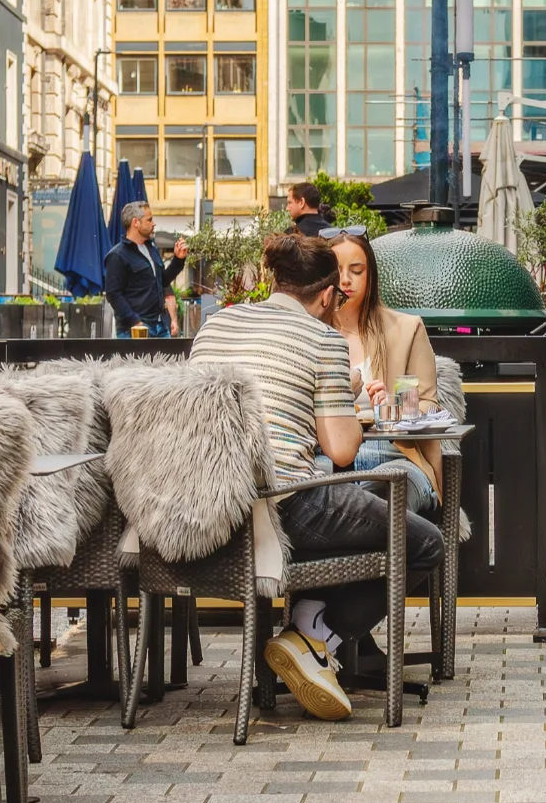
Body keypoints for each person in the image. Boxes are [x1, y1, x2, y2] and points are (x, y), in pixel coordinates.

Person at [191, 234, 445, 721]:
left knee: (364, 509)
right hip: (283, 504)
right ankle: (312, 637)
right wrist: (343, 393)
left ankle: (309, 634)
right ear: (327, 295)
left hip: (207, 507)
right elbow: (344, 449)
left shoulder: (215, 326)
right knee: (422, 542)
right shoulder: (323, 339)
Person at [326, 230, 443, 519]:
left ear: (371, 276)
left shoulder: (405, 329)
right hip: (326, 459)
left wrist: (392, 407)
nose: (345, 280)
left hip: (395, 455)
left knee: (381, 495)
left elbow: (428, 405)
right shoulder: (311, 333)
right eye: (336, 271)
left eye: (356, 270)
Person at [102, 201, 185, 338]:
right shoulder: (117, 255)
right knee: (134, 360)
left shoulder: (151, 249)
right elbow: (113, 294)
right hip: (134, 329)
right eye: (149, 220)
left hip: (160, 325)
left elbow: (162, 281)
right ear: (136, 222)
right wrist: (134, 321)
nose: (153, 224)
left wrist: (178, 259)